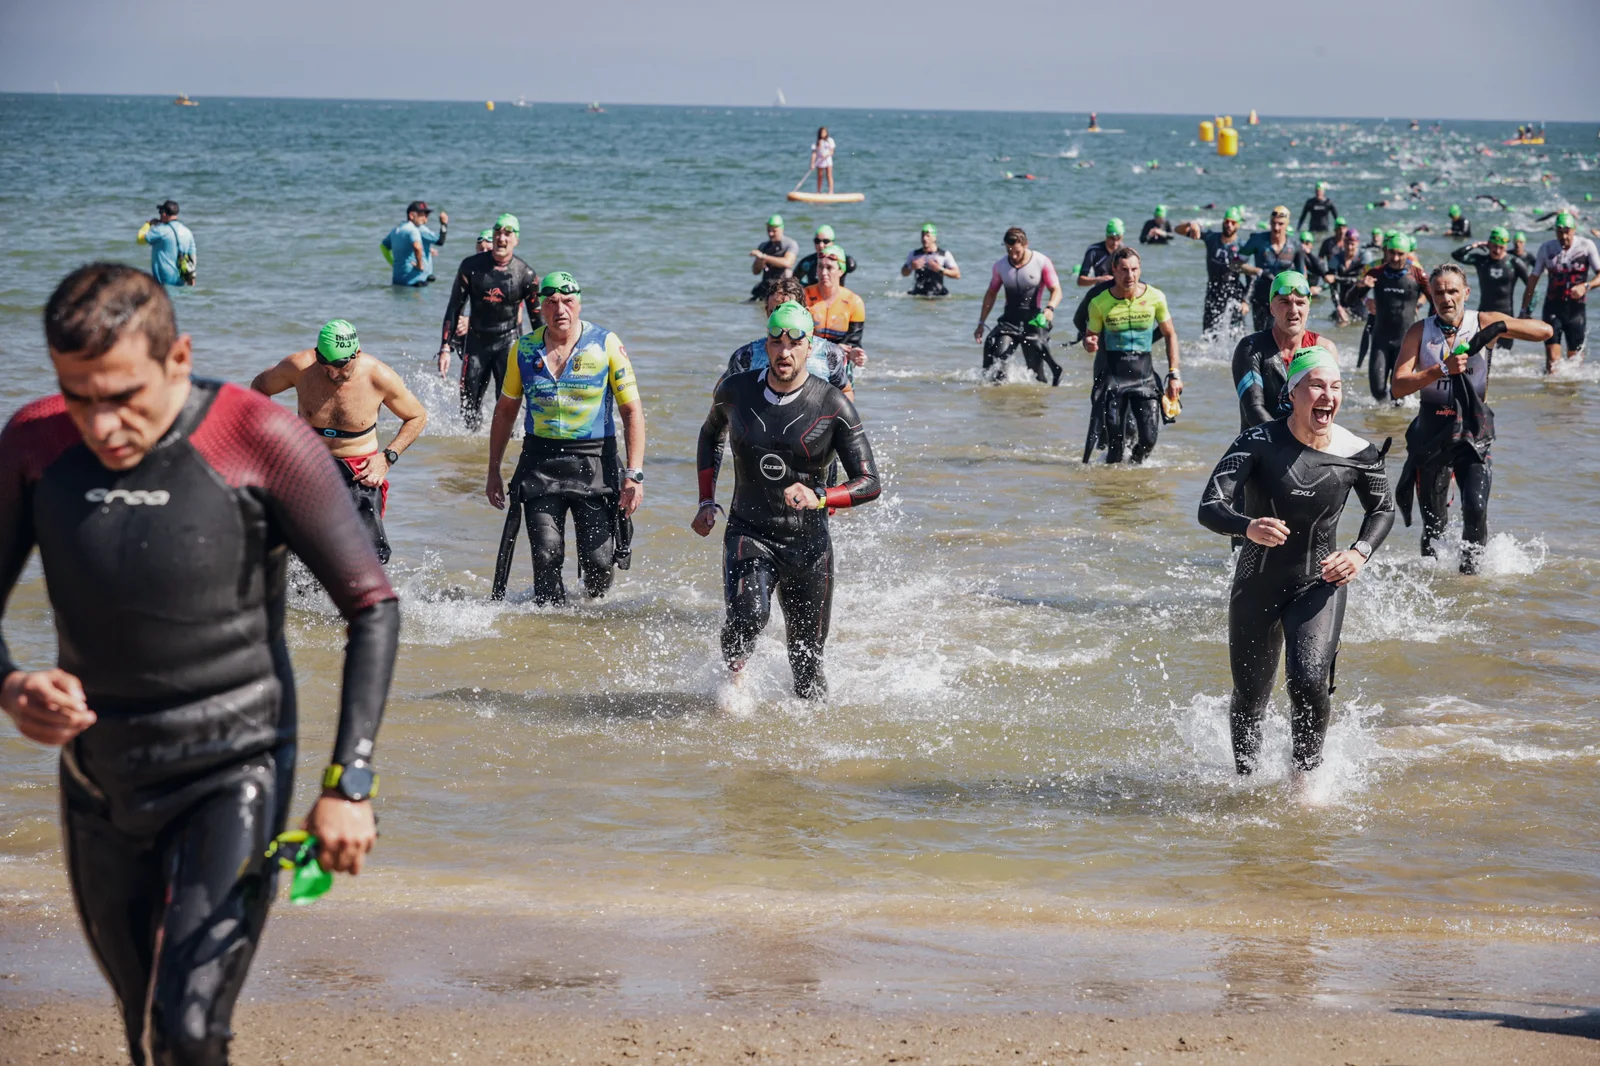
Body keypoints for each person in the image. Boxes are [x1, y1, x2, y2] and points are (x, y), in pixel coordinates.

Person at [0, 263, 398, 1065]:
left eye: (124, 396)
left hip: (234, 771)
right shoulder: (35, 443)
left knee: (186, 1028)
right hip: (99, 781)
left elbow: (371, 607)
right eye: (78, 395)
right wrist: (11, 684)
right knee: (144, 1024)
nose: (102, 424)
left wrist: (348, 783)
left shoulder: (258, 438)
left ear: (178, 358)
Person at [1197, 346, 1394, 775]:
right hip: (1258, 582)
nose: (1328, 395)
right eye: (1317, 386)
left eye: (1335, 387)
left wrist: (1358, 553)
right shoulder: (1258, 441)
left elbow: (1383, 509)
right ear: (1292, 392)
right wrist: (1246, 526)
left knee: (1308, 681)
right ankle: (1246, 782)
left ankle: (1305, 782)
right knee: (1250, 695)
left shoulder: (1358, 451)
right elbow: (1209, 506)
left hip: (1318, 583)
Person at [692, 301, 880, 698]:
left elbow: (869, 483)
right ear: (767, 344)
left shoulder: (832, 405)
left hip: (808, 545)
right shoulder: (736, 391)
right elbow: (710, 435)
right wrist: (706, 501)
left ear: (810, 347)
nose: (784, 352)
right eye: (776, 342)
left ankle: (810, 733)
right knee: (747, 619)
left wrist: (820, 496)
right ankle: (732, 683)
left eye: (794, 343)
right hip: (749, 531)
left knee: (807, 669)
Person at [486, 272, 645, 604]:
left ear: (579, 304)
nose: (560, 309)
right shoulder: (524, 349)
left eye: (568, 301)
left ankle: (589, 624)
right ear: (540, 306)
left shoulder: (605, 344)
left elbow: (632, 411)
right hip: (540, 464)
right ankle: (548, 630)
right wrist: (493, 471)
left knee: (599, 566)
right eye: (552, 302)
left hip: (594, 462)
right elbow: (505, 411)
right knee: (546, 557)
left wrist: (634, 475)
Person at [1391, 265, 1552, 573]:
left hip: (1472, 434)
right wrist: (1441, 369)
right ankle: (1434, 584)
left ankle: (1470, 579)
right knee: (1434, 525)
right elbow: (1397, 386)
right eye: (1439, 292)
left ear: (1466, 293)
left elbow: (1545, 331)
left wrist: (1498, 328)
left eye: (1453, 291)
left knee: (1475, 509)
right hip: (1431, 436)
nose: (1446, 298)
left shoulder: (1482, 321)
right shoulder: (1419, 331)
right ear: (1431, 296)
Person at [250, 320, 428, 566]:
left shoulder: (379, 377)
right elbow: (260, 387)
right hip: (308, 464)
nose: (333, 373)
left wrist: (388, 457)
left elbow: (417, 416)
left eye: (341, 365)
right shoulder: (299, 366)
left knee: (367, 557)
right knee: (296, 552)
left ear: (357, 353)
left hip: (359, 471)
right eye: (325, 363)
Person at [436, 213, 540, 432]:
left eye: (508, 233)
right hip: (476, 343)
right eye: (498, 232)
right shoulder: (471, 267)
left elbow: (537, 320)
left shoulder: (525, 274)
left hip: (508, 343)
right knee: (468, 408)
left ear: (516, 239)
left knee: (508, 406)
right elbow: (454, 308)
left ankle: (507, 446)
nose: (501, 238)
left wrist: (545, 356)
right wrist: (445, 348)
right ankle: (472, 451)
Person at [1081, 247, 1182, 464]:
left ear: (1140, 269)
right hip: (1114, 379)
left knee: (1148, 439)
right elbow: (1090, 338)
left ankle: (1135, 471)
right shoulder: (1099, 302)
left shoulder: (1155, 297)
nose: (1130, 275)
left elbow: (1170, 334)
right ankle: (1113, 483)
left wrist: (1174, 374)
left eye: (1134, 269)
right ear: (1114, 270)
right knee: (1116, 446)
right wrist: (1089, 344)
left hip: (1144, 377)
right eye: (1124, 270)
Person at [725, 277, 862, 398]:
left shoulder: (831, 354)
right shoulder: (746, 356)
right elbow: (723, 394)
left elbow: (846, 392)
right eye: (775, 311)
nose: (781, 319)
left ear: (806, 312)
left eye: (789, 311)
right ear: (767, 312)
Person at [1231, 271, 1334, 429]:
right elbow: (1253, 411)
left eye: (1300, 303)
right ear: (1272, 308)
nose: (1293, 310)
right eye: (1285, 302)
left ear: (1308, 307)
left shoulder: (1324, 350)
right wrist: (1288, 441)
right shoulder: (1251, 348)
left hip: (1308, 441)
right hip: (1261, 440)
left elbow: (1328, 408)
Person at [974, 227, 1063, 384]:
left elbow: (1056, 290)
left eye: (1017, 252)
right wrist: (981, 323)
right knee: (999, 359)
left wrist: (1050, 308)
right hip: (1009, 321)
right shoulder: (1000, 266)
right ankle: (998, 397)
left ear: (1026, 244)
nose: (1013, 256)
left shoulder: (1041, 262)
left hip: (1033, 322)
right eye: (1009, 251)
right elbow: (991, 293)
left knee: (1036, 374)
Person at [1520, 212, 1600, 372]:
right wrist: (1524, 309)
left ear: (1574, 229)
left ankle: (1570, 389)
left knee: (1575, 364)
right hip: (1553, 307)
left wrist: (1586, 286)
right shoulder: (1546, 248)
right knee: (1552, 364)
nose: (1563, 236)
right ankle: (1551, 387)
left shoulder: (1586, 245)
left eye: (1567, 231)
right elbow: (1533, 278)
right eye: (1559, 232)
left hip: (1576, 310)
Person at [1359, 233, 1432, 399]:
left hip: (1405, 338)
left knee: (1398, 394)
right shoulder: (1374, 270)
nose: (1395, 257)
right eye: (1391, 252)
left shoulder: (1416, 271)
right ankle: (1380, 417)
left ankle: (1400, 417)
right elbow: (1352, 294)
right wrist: (1366, 299)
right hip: (1380, 337)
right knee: (1378, 392)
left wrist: (1419, 307)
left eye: (1400, 253)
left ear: (1408, 253)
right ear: (1386, 250)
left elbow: (1434, 300)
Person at [1175, 206, 1258, 336]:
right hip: (1213, 292)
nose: (1229, 225)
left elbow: (1251, 276)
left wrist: (1245, 301)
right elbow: (1177, 230)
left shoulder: (1242, 246)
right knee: (1208, 333)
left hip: (1234, 293)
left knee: (1236, 333)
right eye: (1227, 221)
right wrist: (1191, 224)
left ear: (1238, 225)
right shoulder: (1211, 238)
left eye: (1233, 222)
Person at [1450, 227, 1530, 346]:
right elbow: (1456, 255)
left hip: (1506, 317)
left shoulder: (1514, 262)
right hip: (1484, 316)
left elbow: (1532, 288)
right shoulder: (1481, 260)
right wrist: (1475, 245)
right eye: (1494, 246)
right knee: (1479, 351)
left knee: (1504, 354)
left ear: (1506, 246)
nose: (1497, 250)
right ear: (1488, 244)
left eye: (1501, 247)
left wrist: (1525, 311)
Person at [1238, 206, 1310, 332]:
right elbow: (1236, 264)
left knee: (1283, 334)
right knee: (1262, 334)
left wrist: (1303, 298)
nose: (1276, 228)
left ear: (1287, 224)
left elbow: (1302, 276)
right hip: (1261, 296)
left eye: (1280, 224)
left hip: (1285, 297)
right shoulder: (1257, 240)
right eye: (1273, 223)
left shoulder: (1295, 246)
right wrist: (1257, 271)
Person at [805, 244, 866, 348]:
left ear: (841, 271)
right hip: (810, 350)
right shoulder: (804, 295)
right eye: (820, 267)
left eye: (829, 268)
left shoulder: (854, 302)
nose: (823, 272)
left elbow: (853, 342)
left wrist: (855, 353)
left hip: (841, 352)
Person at [382, 201, 448, 287]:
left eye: (427, 214)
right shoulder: (416, 229)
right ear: (412, 215)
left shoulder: (396, 230)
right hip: (416, 280)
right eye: (423, 214)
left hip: (398, 280)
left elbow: (383, 247)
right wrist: (444, 223)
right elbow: (439, 241)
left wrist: (393, 263)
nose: (426, 217)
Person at [136, 200, 197, 288]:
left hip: (164, 281)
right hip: (181, 280)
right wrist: (191, 277)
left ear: (164, 214)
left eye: (160, 212)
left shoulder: (160, 231)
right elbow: (193, 258)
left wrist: (148, 224)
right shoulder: (187, 232)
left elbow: (140, 239)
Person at [749, 214, 799, 301]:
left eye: (774, 231)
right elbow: (756, 271)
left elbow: (787, 263)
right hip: (766, 287)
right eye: (769, 230)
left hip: (783, 288)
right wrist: (759, 260)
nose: (771, 234)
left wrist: (764, 257)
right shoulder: (763, 246)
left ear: (782, 229)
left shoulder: (790, 244)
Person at [1327, 229, 1371, 326]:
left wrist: (1337, 278)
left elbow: (1361, 280)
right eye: (1347, 243)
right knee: (1338, 323)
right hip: (1343, 302)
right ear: (1343, 242)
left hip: (1360, 302)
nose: (1349, 247)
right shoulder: (1336, 258)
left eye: (1352, 244)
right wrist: (1338, 306)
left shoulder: (1364, 257)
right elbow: (1332, 285)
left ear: (1358, 243)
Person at [903, 222, 960, 296]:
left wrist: (940, 269)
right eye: (922, 235)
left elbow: (957, 274)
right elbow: (903, 273)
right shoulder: (914, 254)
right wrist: (912, 267)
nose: (924, 238)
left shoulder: (944, 255)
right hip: (919, 294)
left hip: (938, 295)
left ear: (934, 238)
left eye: (928, 236)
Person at [1079, 219, 1125, 287]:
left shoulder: (1124, 252)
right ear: (1106, 236)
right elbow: (1080, 281)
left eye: (1118, 239)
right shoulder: (1094, 251)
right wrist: (1098, 279)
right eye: (1112, 238)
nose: (1115, 243)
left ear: (1122, 237)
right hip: (1101, 288)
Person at [810, 126, 836, 194]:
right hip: (819, 160)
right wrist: (812, 163)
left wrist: (827, 155)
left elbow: (832, 151)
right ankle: (818, 191)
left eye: (824, 132)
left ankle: (831, 191)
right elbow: (814, 154)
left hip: (828, 160)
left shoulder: (830, 140)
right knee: (820, 176)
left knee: (829, 175)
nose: (823, 133)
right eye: (822, 132)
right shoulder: (817, 142)